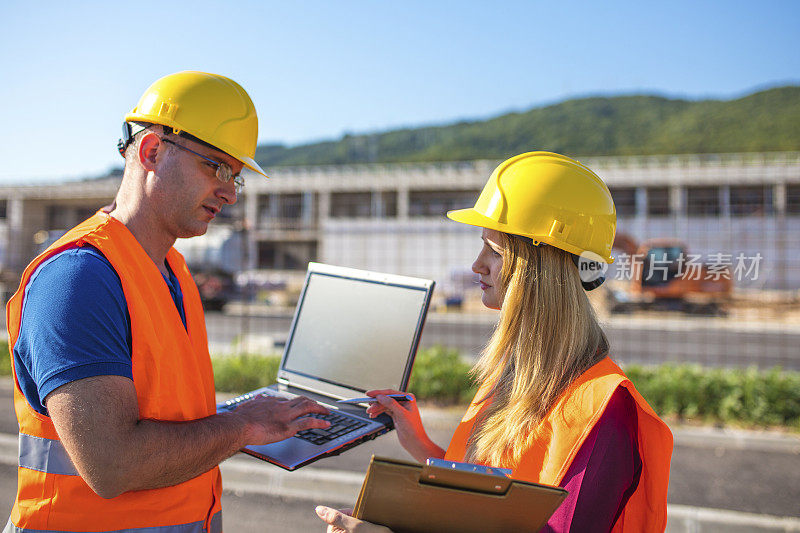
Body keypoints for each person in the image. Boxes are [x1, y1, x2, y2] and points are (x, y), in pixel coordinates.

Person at [4, 71, 331, 533]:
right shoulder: (79, 278)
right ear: (152, 151)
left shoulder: (173, 270)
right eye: (216, 167)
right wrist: (241, 426)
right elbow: (112, 465)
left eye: (236, 178)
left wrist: (245, 419)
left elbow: (171, 413)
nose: (229, 193)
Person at [315, 152, 673, 533]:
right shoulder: (515, 373)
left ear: (542, 270)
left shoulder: (604, 412)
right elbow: (485, 502)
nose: (477, 264)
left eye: (495, 251)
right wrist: (421, 445)